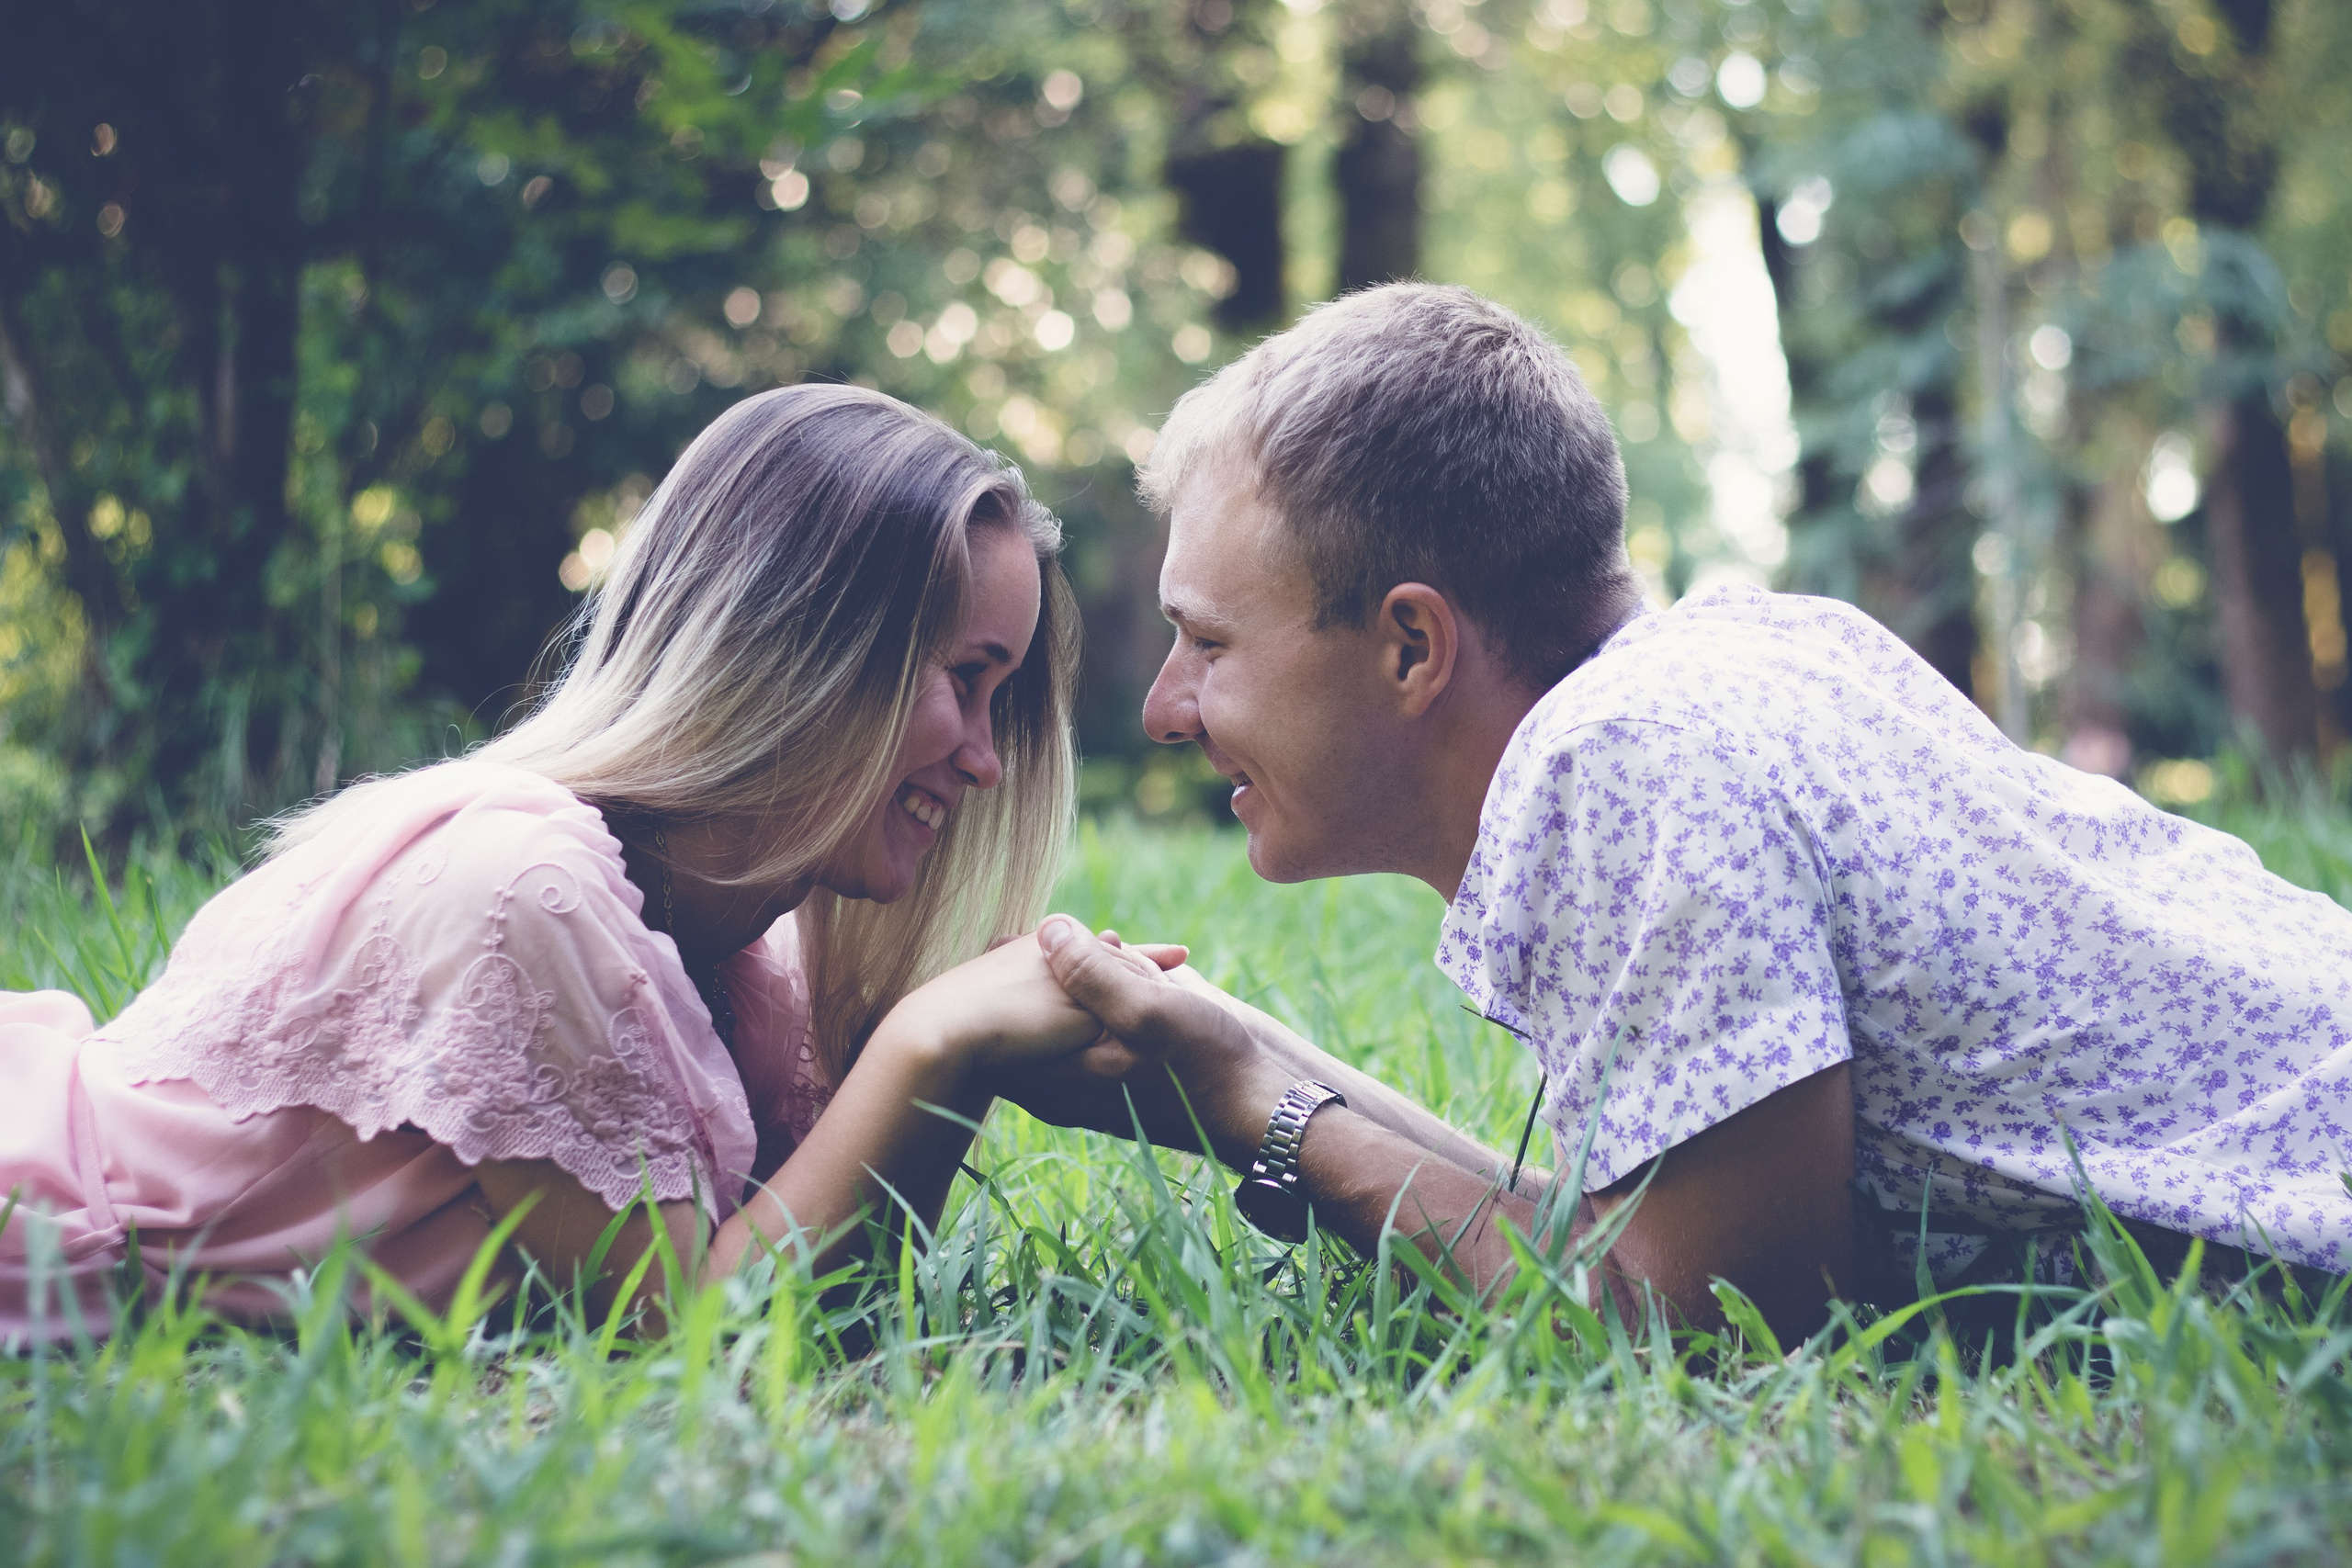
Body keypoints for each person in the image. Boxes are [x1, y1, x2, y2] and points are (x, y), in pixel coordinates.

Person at [1017, 283, 2352, 1342]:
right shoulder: (1730, 668)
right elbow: (1631, 1234)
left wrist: (1263, 1113)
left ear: (1412, 647)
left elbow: (1703, 1319)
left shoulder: (1629, 763)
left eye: (1206, 641)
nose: (1166, 708)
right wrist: (1250, 1055)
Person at [0, 384, 1182, 1340]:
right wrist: (942, 1036)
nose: (984, 760)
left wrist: (1003, 1060)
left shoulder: (734, 960)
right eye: (962, 680)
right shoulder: (527, 892)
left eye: (1003, 697)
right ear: (803, 656)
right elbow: (693, 1340)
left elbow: (834, 1304)